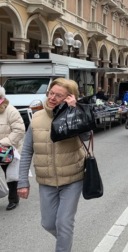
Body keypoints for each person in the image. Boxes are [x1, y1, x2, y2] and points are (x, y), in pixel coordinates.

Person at [17, 78, 89, 252]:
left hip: (73, 178)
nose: (52, 97)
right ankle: (65, 240)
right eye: (51, 93)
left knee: (64, 223)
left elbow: (86, 135)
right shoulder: (36, 118)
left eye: (59, 95)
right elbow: (26, 151)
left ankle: (64, 245)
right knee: (48, 223)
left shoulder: (76, 113)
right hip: (46, 181)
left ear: (69, 97)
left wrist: (75, 111)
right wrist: (22, 182)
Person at [0, 86, 25, 211]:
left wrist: (3, 143)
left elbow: (19, 130)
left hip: (8, 148)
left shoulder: (10, 110)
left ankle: (13, 199)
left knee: (10, 175)